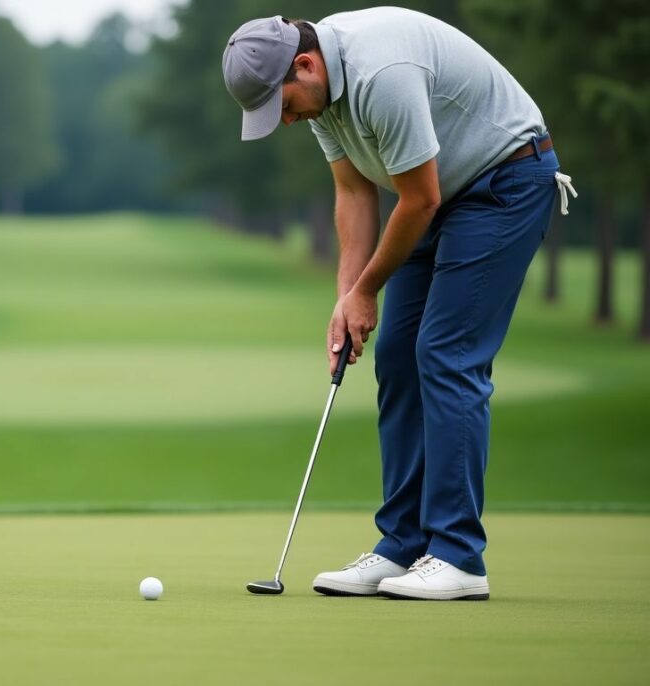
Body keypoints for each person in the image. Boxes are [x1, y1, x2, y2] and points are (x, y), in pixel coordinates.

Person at [221, 7, 576, 600]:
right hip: (444, 194)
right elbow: (354, 190)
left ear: (303, 65)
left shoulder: (380, 72)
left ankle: (459, 557)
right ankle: (402, 546)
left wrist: (366, 290)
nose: (285, 121)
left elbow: (419, 198)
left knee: (445, 352)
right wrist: (347, 297)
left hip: (505, 181)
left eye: (282, 105)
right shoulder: (322, 94)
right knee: (396, 352)